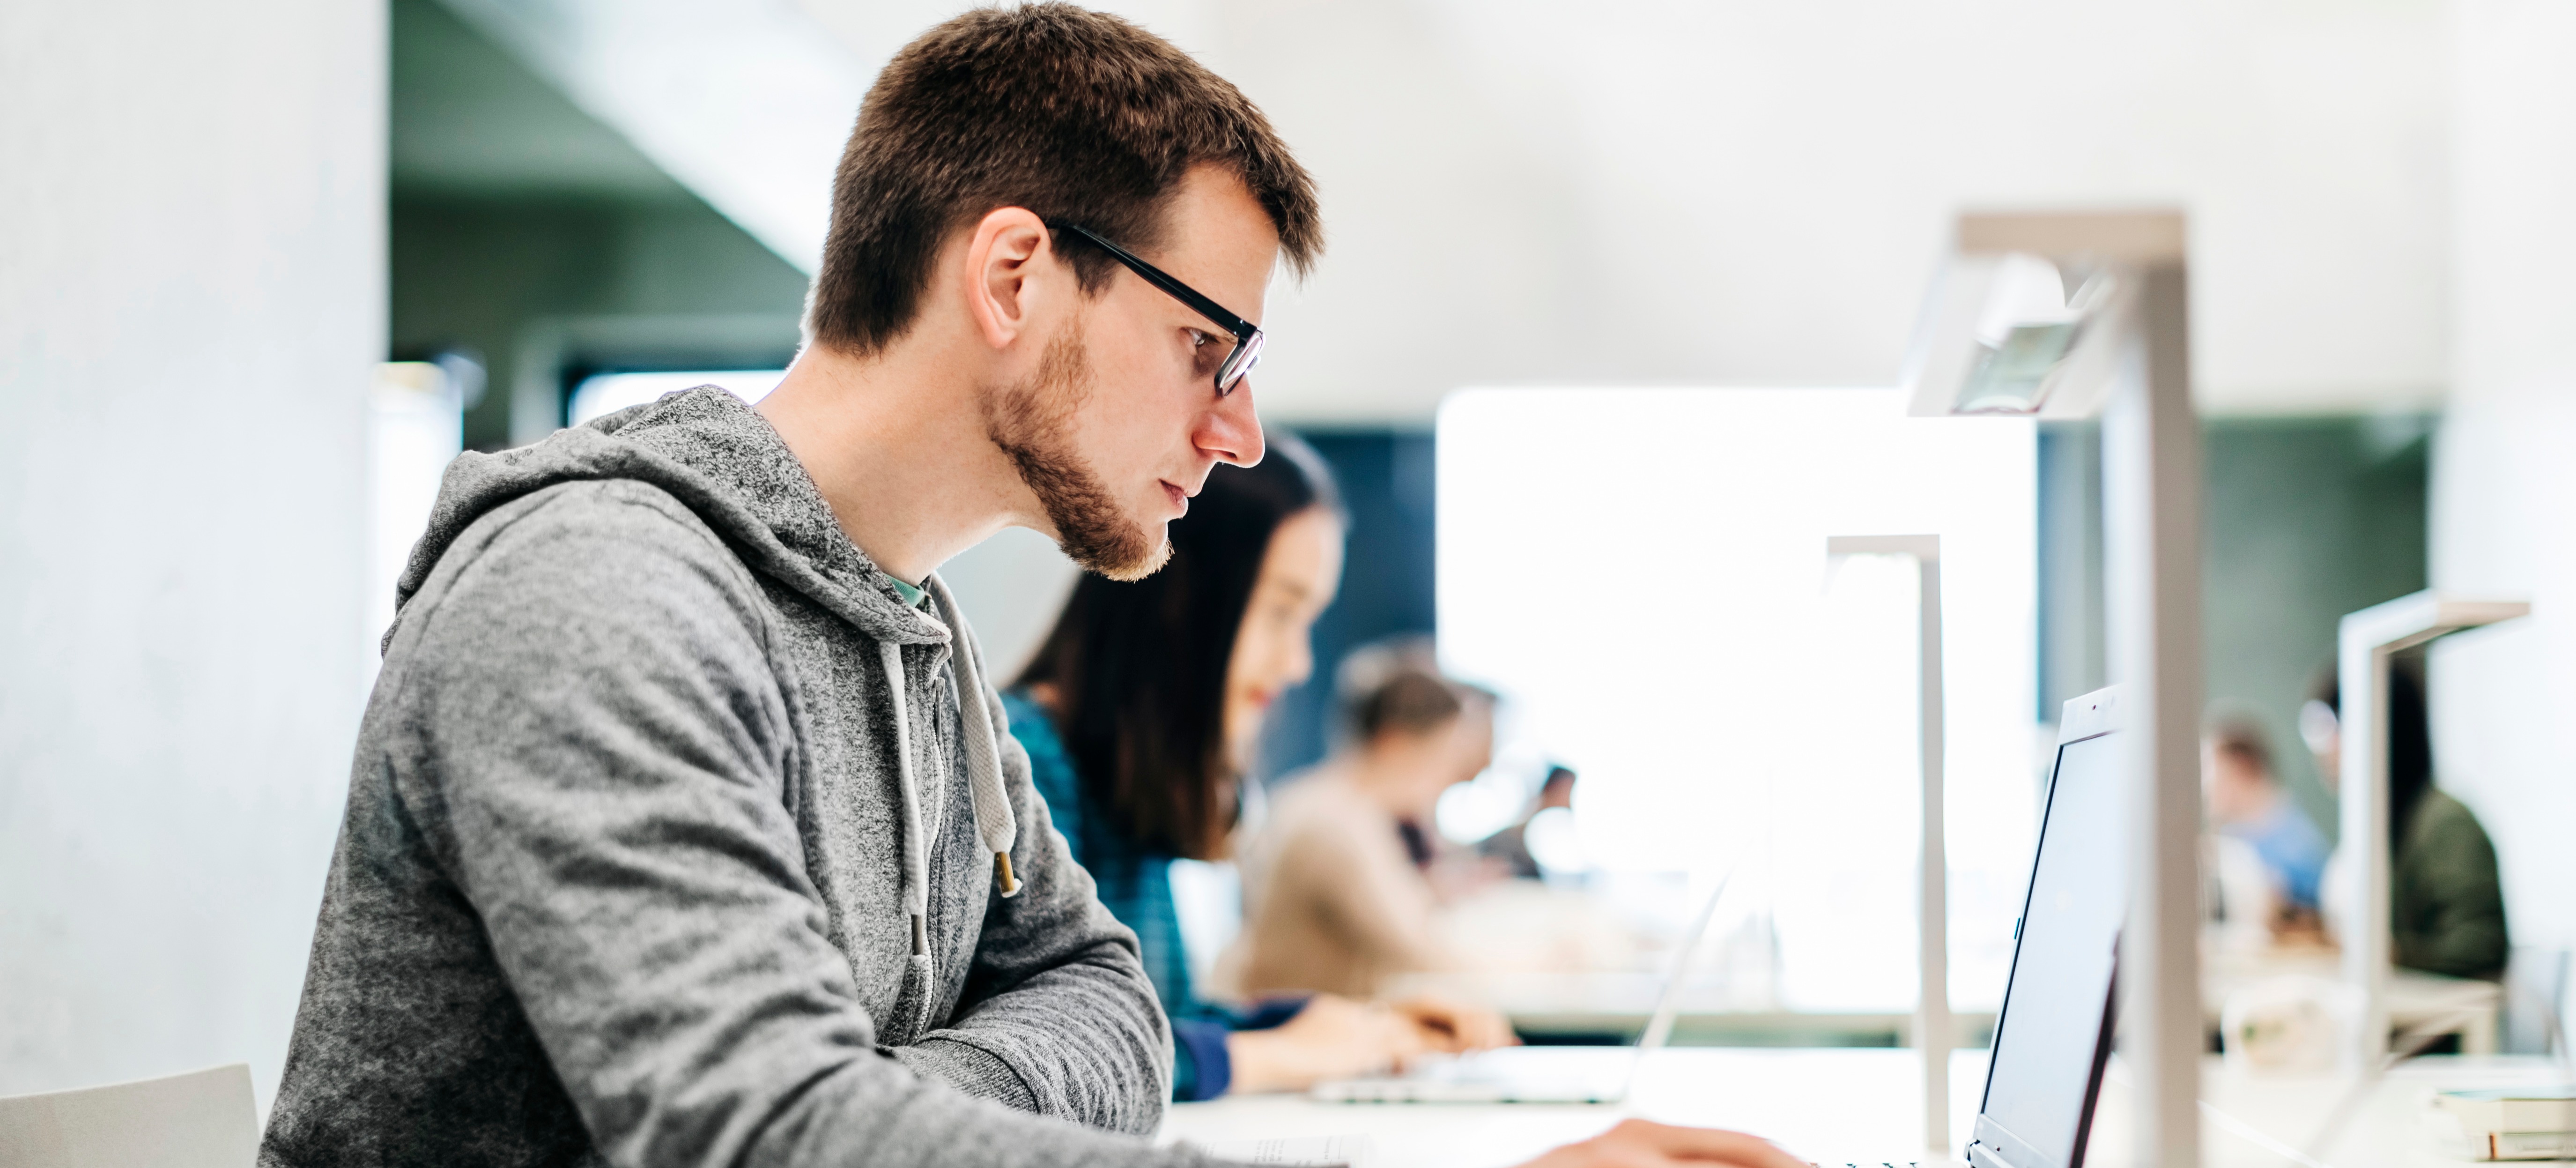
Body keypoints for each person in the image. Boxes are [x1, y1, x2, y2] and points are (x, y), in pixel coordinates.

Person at [260, 7, 1799, 1168]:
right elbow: (780, 1144)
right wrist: (853, 1102)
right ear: (1013, 277)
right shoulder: (598, 599)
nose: (1238, 428)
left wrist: (900, 1092)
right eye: (1212, 347)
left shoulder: (909, 635)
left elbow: (1111, 1001)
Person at [1005, 436, 1511, 1099]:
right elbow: (1064, 1053)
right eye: (1281, 611)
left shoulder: (1126, 778)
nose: (1298, 663)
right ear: (1178, 594)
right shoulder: (1023, 763)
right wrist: (1289, 1054)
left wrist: (1333, 1023)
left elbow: (1157, 1020)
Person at [1234, 652, 1498, 1000]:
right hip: (1301, 1035)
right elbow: (1422, 950)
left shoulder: (1332, 804)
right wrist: (1542, 966)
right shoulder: (1334, 824)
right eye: (1444, 755)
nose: (1448, 780)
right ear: (1395, 742)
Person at [2302, 663, 2510, 979]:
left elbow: (2480, 947)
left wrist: (2391, 953)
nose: (2324, 750)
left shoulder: (2444, 824)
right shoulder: (2379, 825)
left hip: (2439, 1022)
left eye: (2330, 728)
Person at [2201, 715, 2330, 923]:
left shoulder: (2298, 846)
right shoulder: (2229, 840)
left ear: (2240, 766)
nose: (2204, 784)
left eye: (2209, 768)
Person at [1479, 764, 1579, 880]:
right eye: (1564, 792)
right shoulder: (1502, 840)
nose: (1568, 802)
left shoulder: (1568, 851)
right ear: (1549, 789)